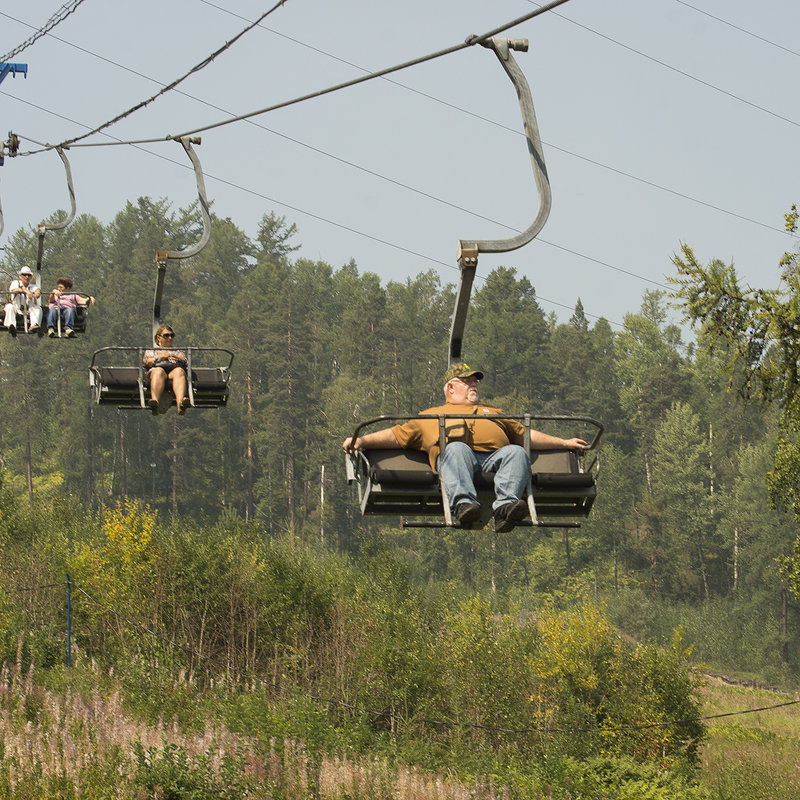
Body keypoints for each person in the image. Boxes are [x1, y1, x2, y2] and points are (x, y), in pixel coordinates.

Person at [343, 363, 588, 532]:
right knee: (457, 448)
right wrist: (361, 441)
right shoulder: (431, 416)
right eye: (467, 381)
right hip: (457, 460)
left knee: (516, 452)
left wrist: (563, 443)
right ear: (451, 387)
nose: (474, 386)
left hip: (494, 460)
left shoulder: (494, 412)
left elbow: (525, 436)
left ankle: (505, 509)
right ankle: (464, 504)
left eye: (475, 382)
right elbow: (395, 436)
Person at [143, 324, 190, 416]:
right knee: (158, 371)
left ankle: (181, 404)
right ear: (159, 337)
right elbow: (147, 361)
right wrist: (160, 358)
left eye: (172, 335)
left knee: (179, 371)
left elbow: (185, 361)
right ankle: (155, 402)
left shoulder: (177, 351)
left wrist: (173, 355)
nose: (170, 338)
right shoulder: (152, 351)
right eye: (166, 335)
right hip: (159, 371)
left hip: (173, 371)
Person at [3, 266, 42, 335]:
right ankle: (12, 327)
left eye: (29, 275)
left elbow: (37, 290)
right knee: (9, 306)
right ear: (20, 276)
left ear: (31, 277)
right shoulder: (16, 283)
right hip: (16, 308)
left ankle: (34, 325)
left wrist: (36, 294)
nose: (26, 277)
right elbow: (14, 289)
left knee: (38, 308)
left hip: (28, 310)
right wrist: (26, 291)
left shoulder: (32, 286)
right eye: (24, 275)